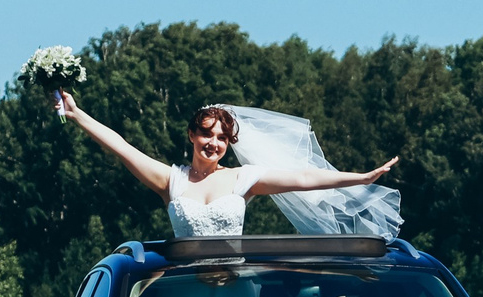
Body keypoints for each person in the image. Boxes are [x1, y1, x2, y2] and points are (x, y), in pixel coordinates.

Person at [54, 94, 401, 239]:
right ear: (192, 135)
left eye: (221, 138)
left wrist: (362, 177)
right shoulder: (170, 180)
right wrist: (76, 113)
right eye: (206, 134)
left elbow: (304, 176)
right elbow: (122, 147)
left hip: (232, 285)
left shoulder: (243, 179)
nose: (213, 143)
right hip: (185, 285)